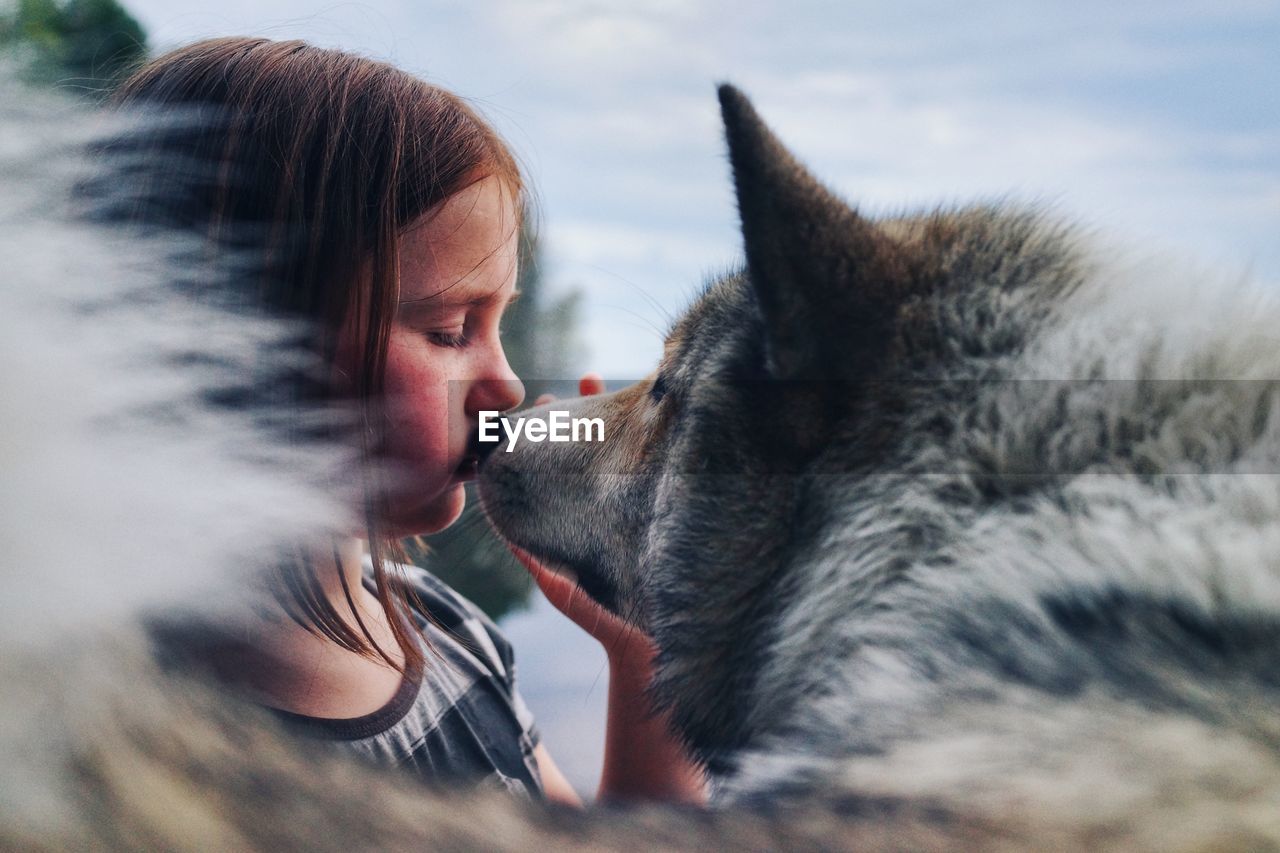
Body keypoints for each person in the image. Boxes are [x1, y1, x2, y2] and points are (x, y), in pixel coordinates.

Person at [110, 36, 705, 806]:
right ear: (243, 344)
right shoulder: (167, 763)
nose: (508, 386)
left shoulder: (442, 624)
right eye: (453, 330)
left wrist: (641, 647)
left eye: (500, 324)